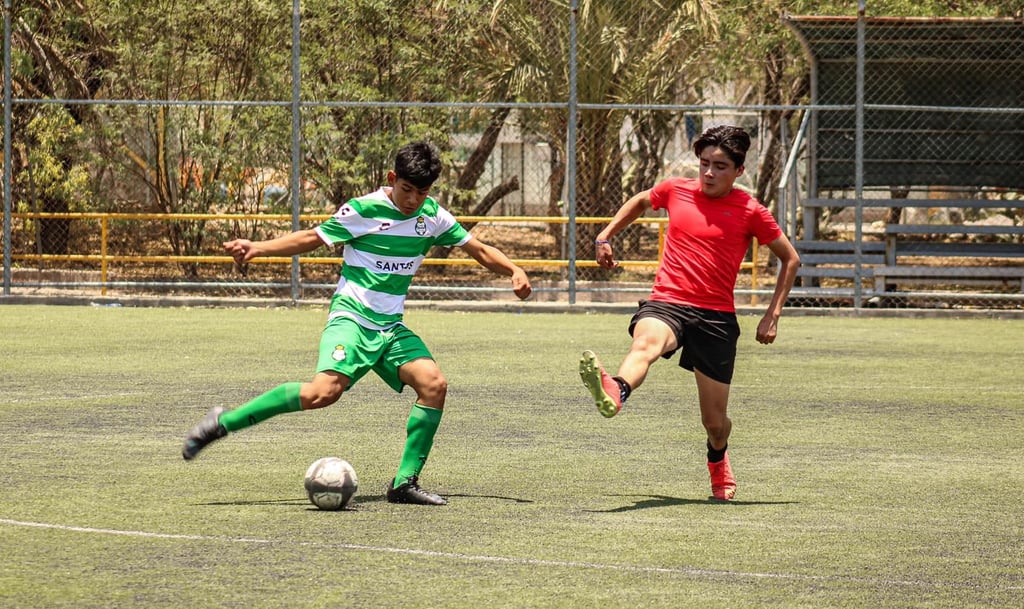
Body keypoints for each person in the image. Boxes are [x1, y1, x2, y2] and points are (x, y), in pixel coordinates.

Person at [181, 141, 532, 506]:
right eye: (406, 189)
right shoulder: (364, 209)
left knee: (434, 385)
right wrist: (258, 247)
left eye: (422, 192)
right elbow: (311, 238)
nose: (412, 199)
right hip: (352, 318)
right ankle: (224, 423)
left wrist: (514, 269)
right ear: (392, 179)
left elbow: (478, 249)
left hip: (390, 328)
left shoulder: (433, 216)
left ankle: (404, 483)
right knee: (323, 393)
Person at [578, 125, 800, 501]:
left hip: (715, 318)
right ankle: (616, 389)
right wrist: (605, 235)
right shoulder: (675, 189)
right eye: (704, 164)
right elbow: (640, 201)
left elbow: (790, 260)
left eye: (720, 166)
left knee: (715, 424)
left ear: (739, 171)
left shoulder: (750, 210)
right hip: (668, 301)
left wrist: (772, 314)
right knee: (645, 344)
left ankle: (718, 459)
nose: (709, 173)